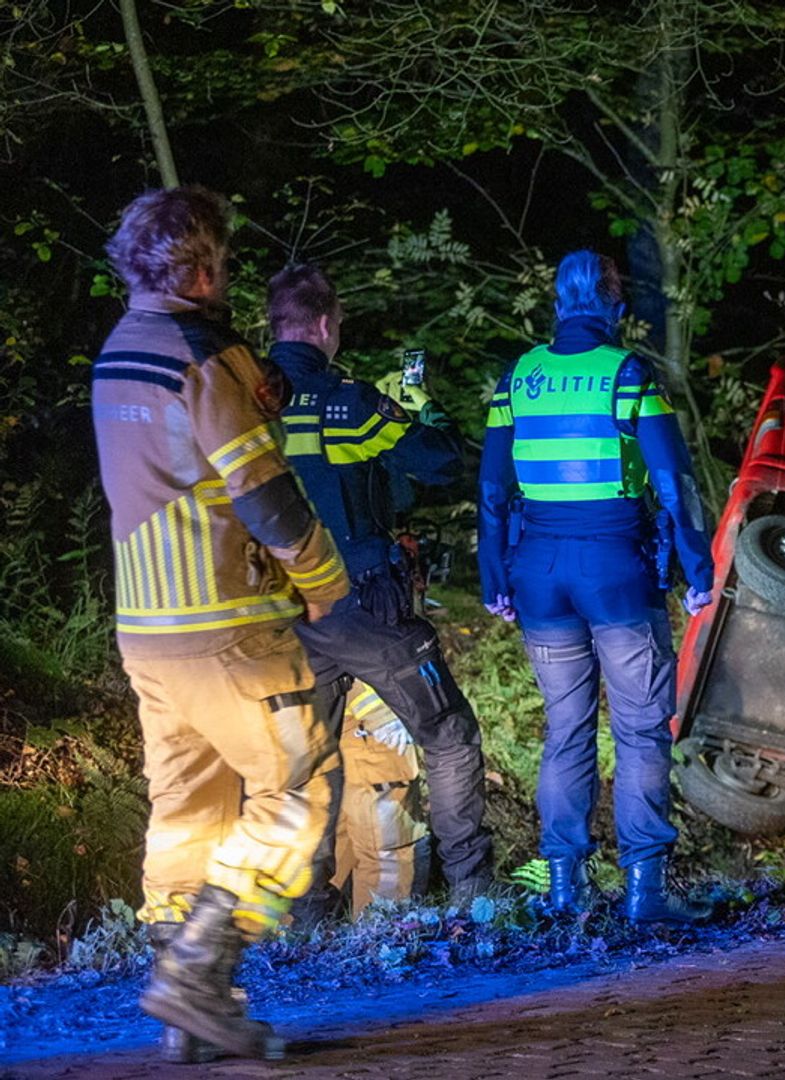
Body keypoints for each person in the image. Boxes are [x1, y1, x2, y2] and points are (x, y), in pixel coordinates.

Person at [94, 186, 348, 1060]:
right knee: (297, 790)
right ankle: (200, 971)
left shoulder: (122, 348)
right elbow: (265, 493)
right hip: (228, 623)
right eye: (226, 262)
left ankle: (185, 1005)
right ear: (201, 268)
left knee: (187, 808)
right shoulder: (205, 357)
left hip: (147, 627)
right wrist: (322, 577)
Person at [477, 250, 716, 923]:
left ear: (558, 302)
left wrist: (495, 575)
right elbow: (674, 485)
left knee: (565, 727)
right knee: (641, 730)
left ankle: (564, 888)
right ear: (617, 306)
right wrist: (697, 573)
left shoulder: (518, 378)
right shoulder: (627, 375)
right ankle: (646, 892)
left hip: (539, 575)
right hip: (616, 571)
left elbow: (494, 488)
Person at [265, 263, 495, 904]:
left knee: (305, 767)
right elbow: (442, 461)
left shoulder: (245, 406)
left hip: (284, 614)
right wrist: (424, 406)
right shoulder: (351, 402)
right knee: (449, 736)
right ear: (322, 324)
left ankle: (305, 915)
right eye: (335, 323)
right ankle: (475, 893)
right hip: (367, 604)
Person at [331, 681, 431, 912]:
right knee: (387, 854)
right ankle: (380, 938)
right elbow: (350, 645)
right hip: (370, 725)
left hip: (319, 716)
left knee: (326, 848)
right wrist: (381, 712)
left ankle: (286, 941)